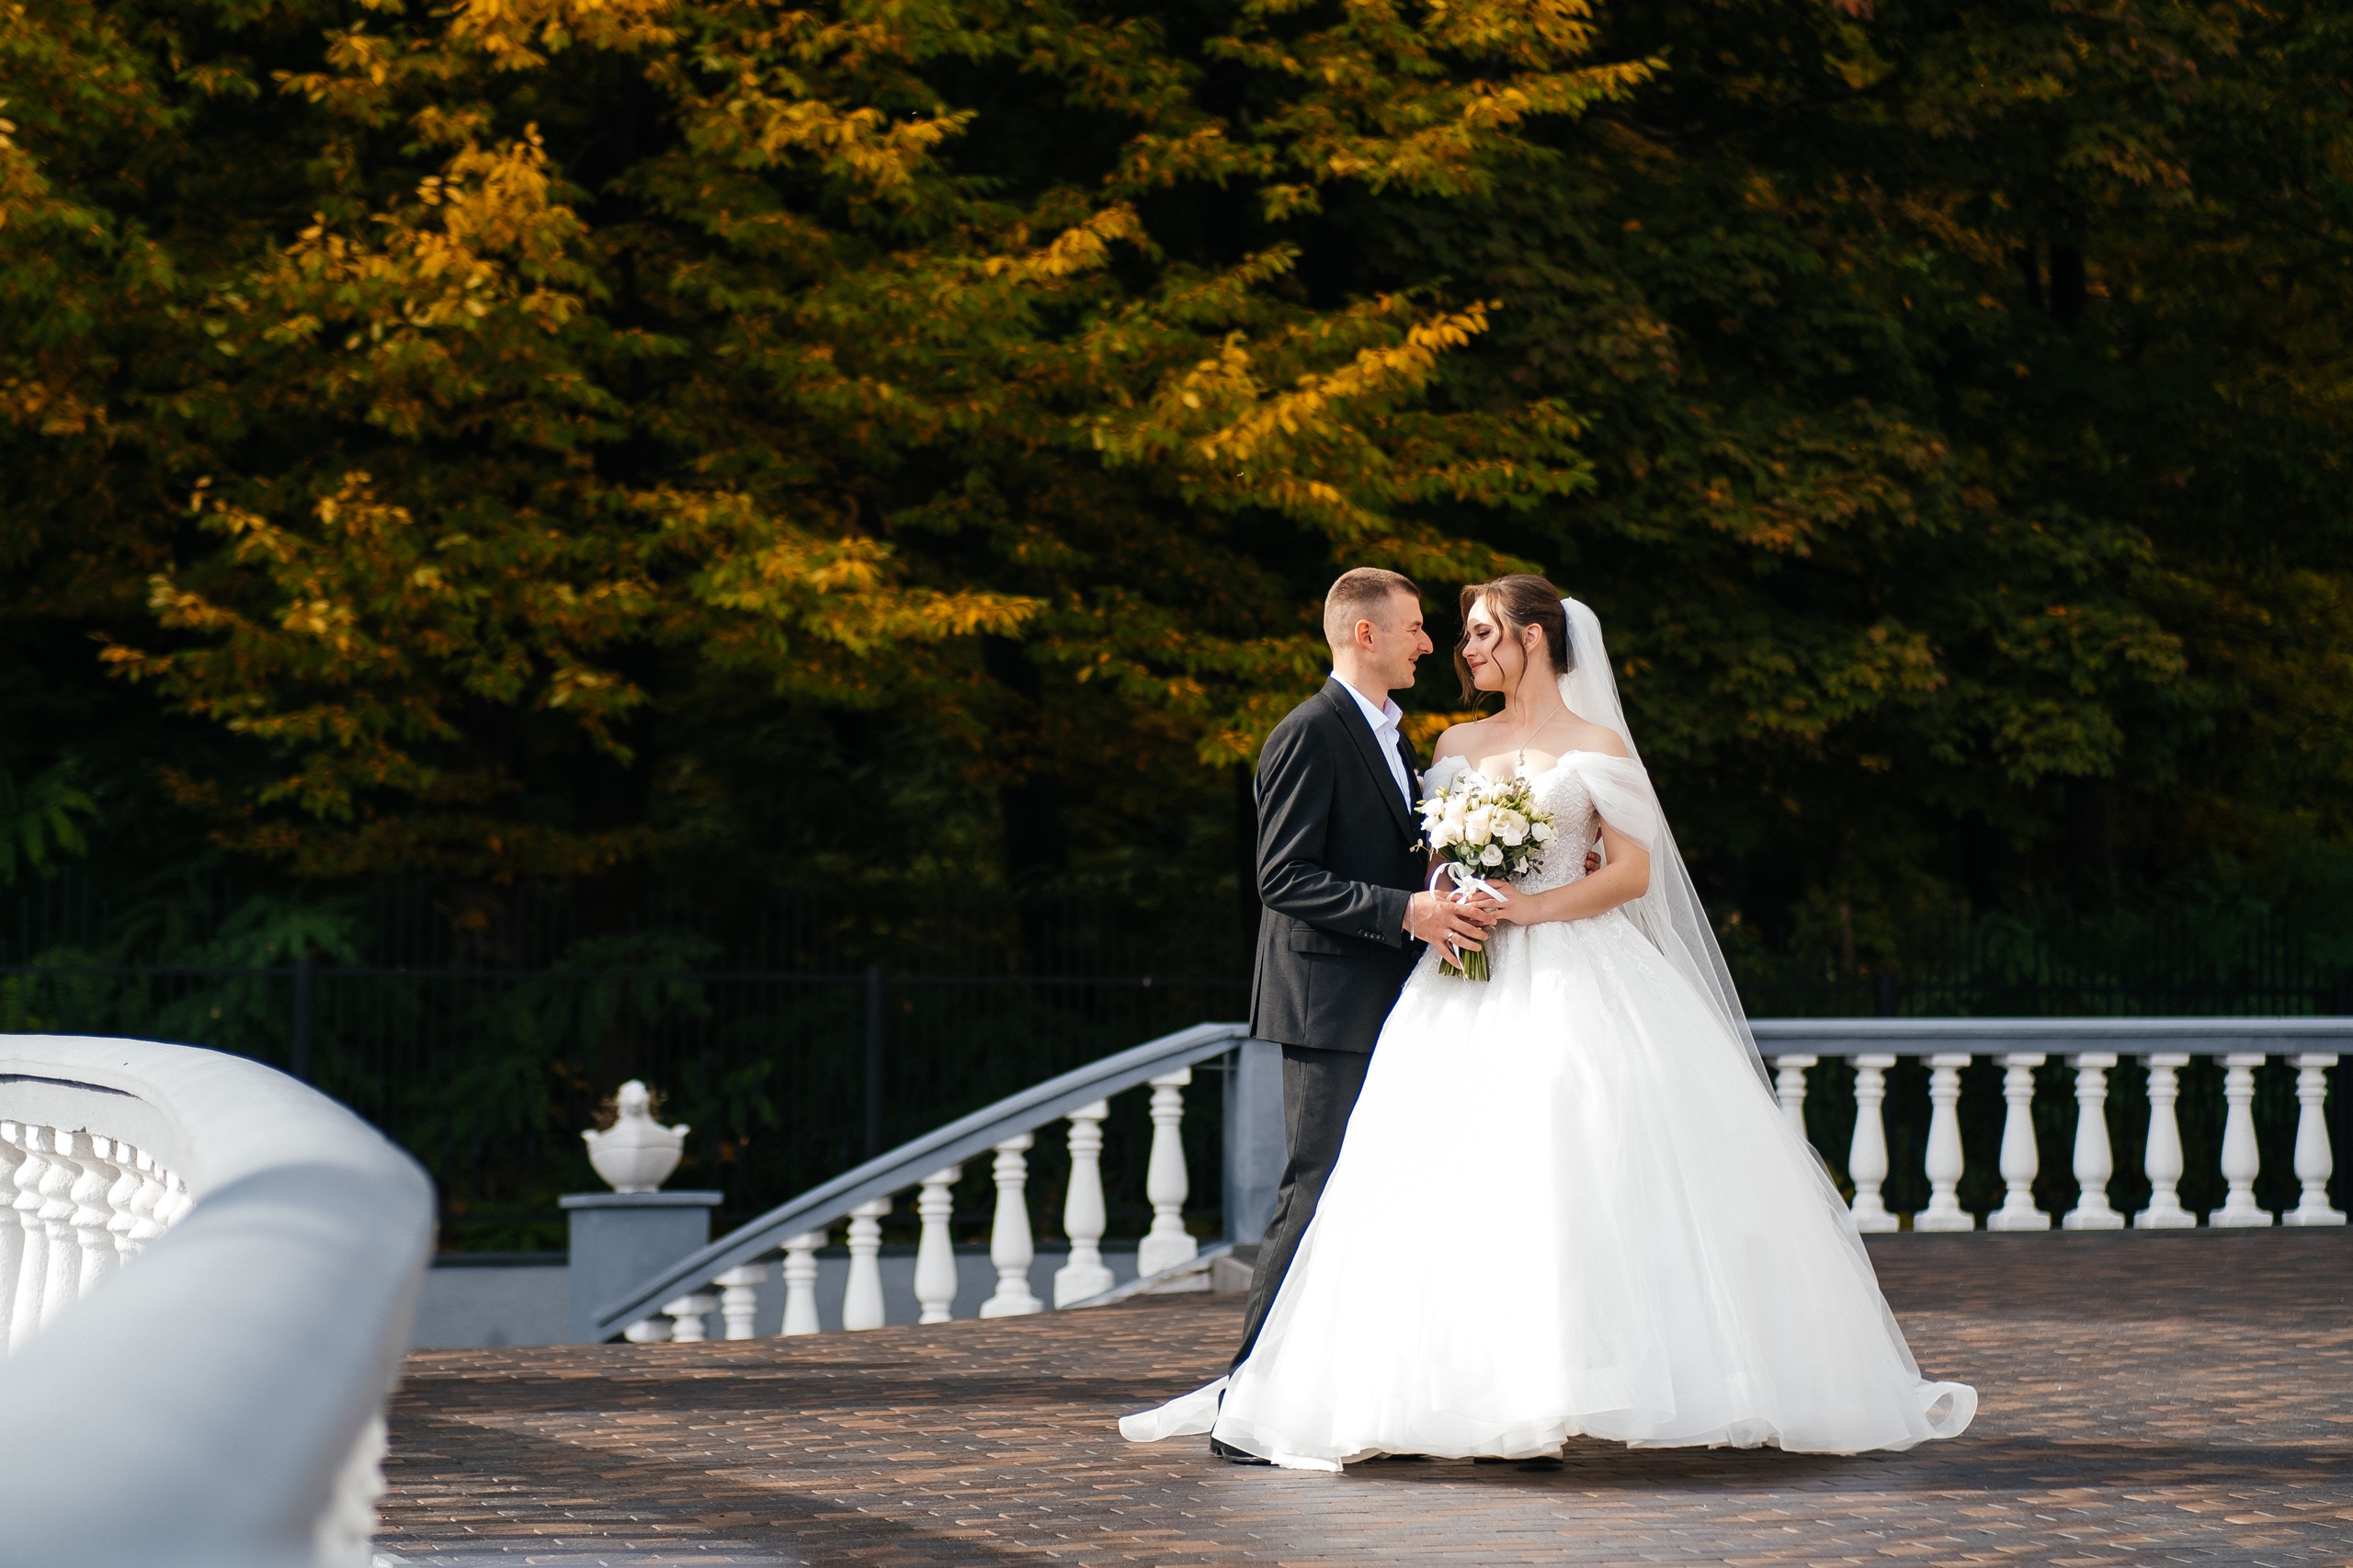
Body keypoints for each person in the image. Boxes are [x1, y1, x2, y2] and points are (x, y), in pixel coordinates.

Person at [1122, 573, 1975, 1468]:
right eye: (1451, 632)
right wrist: (1446, 896)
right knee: (1435, 1180)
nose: (1459, 649)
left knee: (1571, 1166)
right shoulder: (1448, 742)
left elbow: (1632, 871)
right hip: (1458, 981)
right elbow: (1414, 863)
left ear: (1533, 636)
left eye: (1480, 632)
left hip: (1573, 972)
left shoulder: (1596, 744)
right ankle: (1385, 1388)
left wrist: (1534, 904)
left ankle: (1562, 1386)